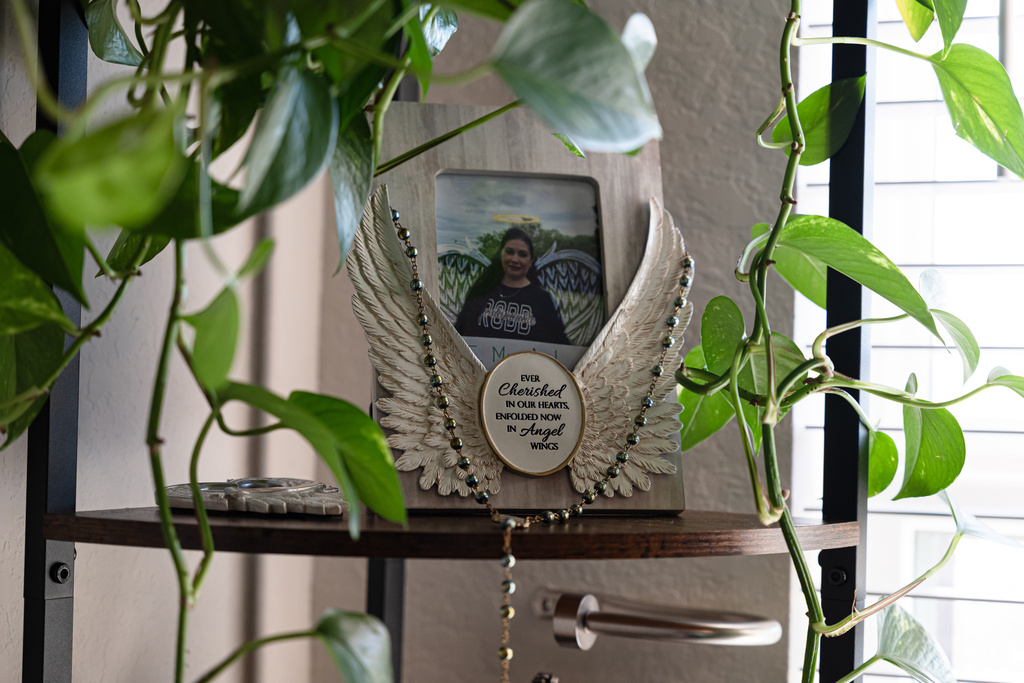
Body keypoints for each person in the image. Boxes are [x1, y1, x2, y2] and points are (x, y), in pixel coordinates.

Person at [455, 227, 570, 345]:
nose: (515, 259)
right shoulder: (481, 291)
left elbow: (559, 345)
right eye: (509, 252)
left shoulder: (543, 300)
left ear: (531, 261)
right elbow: (459, 334)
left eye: (522, 254)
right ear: (501, 254)